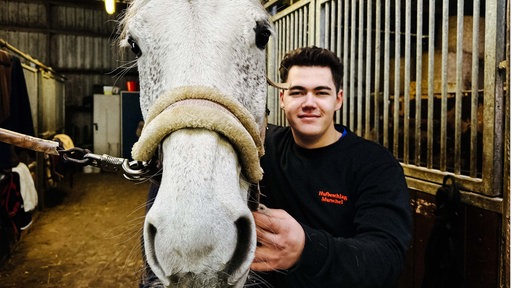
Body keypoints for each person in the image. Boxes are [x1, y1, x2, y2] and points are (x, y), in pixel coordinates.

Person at [248, 46, 412, 287]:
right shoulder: (265, 146)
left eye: (321, 92)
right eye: (297, 92)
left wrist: (307, 248)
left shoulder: (375, 165)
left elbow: (386, 257)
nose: (309, 103)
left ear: (338, 100)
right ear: (282, 100)